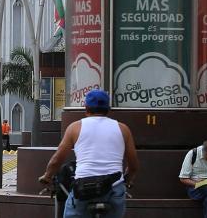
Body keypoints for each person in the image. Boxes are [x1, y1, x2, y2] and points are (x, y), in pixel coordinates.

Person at [38, 90, 136, 218]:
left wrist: (47, 176)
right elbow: (133, 164)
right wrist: (127, 179)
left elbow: (57, 159)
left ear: (86, 108)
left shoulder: (75, 128)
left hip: (83, 188)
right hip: (114, 188)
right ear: (108, 108)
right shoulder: (123, 129)